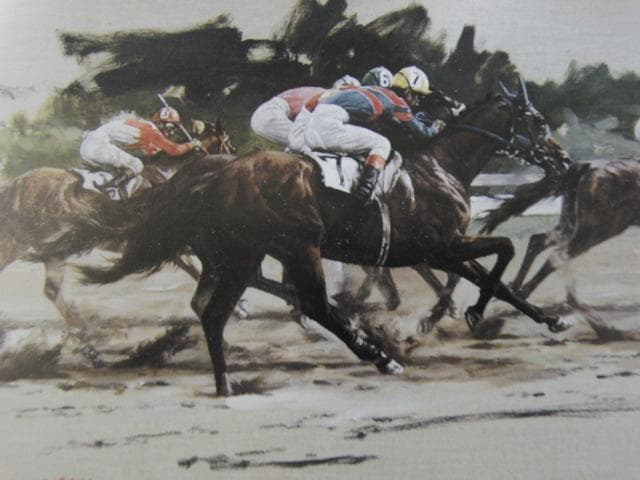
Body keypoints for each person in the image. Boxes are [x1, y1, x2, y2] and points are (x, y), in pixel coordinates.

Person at [300, 65, 446, 201]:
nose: (418, 101)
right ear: (408, 91)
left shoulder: (370, 89)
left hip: (307, 124)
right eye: (418, 95)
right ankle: (364, 194)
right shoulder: (398, 102)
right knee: (382, 144)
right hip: (327, 126)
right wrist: (436, 128)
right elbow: (421, 133)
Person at [80, 107, 201, 194]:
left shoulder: (142, 127)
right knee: (136, 164)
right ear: (160, 123)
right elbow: (174, 150)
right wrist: (193, 144)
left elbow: (152, 152)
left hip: (89, 147)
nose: (172, 132)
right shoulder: (150, 130)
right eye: (170, 127)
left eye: (174, 129)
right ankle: (110, 190)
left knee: (121, 170)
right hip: (97, 146)